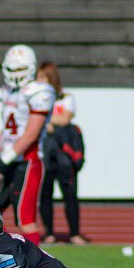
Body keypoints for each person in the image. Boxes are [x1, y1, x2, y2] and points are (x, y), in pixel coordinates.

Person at [0, 45, 55, 246]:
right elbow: (7, 131)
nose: (15, 75)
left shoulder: (38, 92)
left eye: (19, 69)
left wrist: (2, 160)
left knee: (26, 220)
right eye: (11, 70)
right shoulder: (9, 91)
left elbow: (30, 135)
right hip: (9, 159)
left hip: (27, 162)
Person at [36, 62, 86, 245]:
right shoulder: (34, 98)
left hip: (64, 153)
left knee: (70, 193)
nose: (39, 81)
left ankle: (75, 233)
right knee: (45, 194)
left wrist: (46, 120)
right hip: (45, 153)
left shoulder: (66, 97)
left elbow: (65, 119)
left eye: (43, 77)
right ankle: (49, 232)